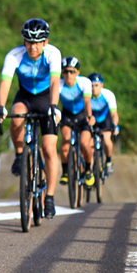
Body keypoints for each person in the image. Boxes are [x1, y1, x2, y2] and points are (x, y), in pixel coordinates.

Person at [0, 18, 62, 219]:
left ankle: (49, 197)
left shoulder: (53, 54)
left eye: (37, 42)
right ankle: (19, 153)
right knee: (16, 118)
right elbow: (6, 82)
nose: (32, 47)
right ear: (24, 41)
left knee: (49, 148)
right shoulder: (14, 55)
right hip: (25, 95)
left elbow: (55, 81)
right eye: (29, 42)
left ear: (45, 42)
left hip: (46, 97)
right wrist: (1, 107)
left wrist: (54, 106)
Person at [58, 56, 95, 187]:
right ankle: (65, 172)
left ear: (77, 73)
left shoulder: (84, 82)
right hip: (67, 114)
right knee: (66, 139)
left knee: (85, 143)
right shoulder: (58, 84)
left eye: (72, 71)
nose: (69, 75)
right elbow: (54, 102)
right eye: (65, 71)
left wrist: (89, 116)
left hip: (82, 114)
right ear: (62, 73)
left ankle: (89, 170)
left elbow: (87, 101)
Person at [88, 73, 120, 176]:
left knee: (106, 139)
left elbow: (114, 113)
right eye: (91, 85)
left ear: (101, 85)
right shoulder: (86, 96)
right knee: (88, 144)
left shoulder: (108, 95)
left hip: (105, 119)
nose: (93, 88)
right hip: (91, 119)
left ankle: (108, 161)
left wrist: (115, 125)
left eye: (96, 85)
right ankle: (90, 169)